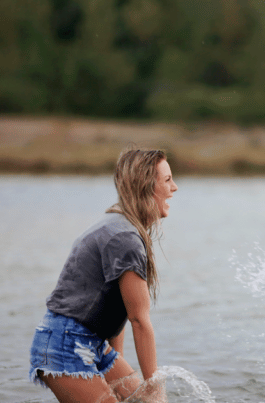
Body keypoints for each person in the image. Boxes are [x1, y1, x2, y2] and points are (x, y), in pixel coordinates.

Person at [29, 148, 177, 403]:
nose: (174, 187)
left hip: (92, 344)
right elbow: (139, 320)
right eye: (167, 180)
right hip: (66, 345)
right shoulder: (125, 238)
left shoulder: (122, 227)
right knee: (153, 400)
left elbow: (114, 308)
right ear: (146, 187)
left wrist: (116, 370)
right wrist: (154, 387)